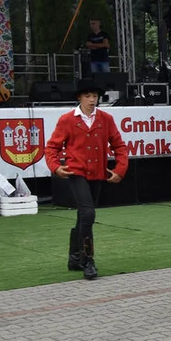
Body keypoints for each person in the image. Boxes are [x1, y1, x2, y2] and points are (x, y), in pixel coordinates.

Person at [44, 79, 129, 280]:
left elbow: (119, 146)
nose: (92, 100)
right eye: (88, 96)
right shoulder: (67, 119)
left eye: (95, 96)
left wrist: (120, 169)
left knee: (84, 215)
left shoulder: (105, 118)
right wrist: (56, 167)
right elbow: (51, 148)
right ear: (79, 98)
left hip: (97, 173)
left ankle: (74, 257)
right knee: (88, 214)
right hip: (76, 172)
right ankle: (87, 260)